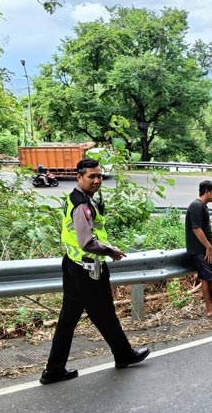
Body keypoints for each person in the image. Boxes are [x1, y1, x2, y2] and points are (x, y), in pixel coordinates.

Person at [40, 158, 149, 385]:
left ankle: (54, 369)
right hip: (87, 269)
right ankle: (123, 355)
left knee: (69, 319)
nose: (97, 180)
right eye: (92, 176)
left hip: (74, 265)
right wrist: (111, 251)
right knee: (104, 315)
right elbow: (86, 242)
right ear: (79, 177)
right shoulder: (82, 205)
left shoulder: (79, 198)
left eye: (99, 176)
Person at [186, 180, 212, 319]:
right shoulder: (197, 206)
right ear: (207, 191)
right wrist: (208, 247)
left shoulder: (201, 206)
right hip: (201, 250)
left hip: (201, 249)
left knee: (206, 277)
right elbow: (196, 228)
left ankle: (211, 308)